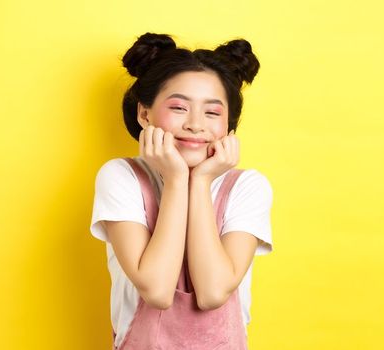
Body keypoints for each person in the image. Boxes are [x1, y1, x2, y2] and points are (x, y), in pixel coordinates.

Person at [89, 32, 274, 349]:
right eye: (179, 108)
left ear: (229, 127)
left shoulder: (247, 186)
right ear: (144, 114)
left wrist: (200, 181)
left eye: (212, 112)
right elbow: (157, 291)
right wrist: (176, 180)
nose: (196, 124)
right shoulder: (122, 177)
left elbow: (213, 292)